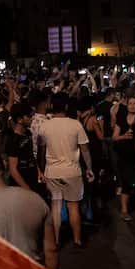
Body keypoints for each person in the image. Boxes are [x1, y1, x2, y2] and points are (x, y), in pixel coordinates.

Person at [38, 93, 95, 247]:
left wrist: (41, 170)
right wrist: (89, 168)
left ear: (51, 107)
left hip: (52, 172)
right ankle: (77, 239)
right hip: (72, 171)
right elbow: (85, 150)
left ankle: (56, 241)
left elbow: (41, 152)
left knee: (56, 207)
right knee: (73, 206)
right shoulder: (75, 125)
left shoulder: (45, 126)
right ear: (66, 107)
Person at [112, 96, 135, 221]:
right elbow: (114, 137)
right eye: (130, 103)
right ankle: (124, 210)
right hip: (124, 156)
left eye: (134, 103)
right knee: (126, 183)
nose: (132, 106)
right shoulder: (121, 119)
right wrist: (124, 136)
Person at [7, 103, 45, 197]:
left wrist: (39, 171)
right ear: (20, 119)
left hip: (32, 177)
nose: (32, 118)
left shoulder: (28, 133)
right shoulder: (13, 140)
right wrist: (27, 189)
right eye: (28, 116)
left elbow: (31, 155)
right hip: (21, 183)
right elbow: (13, 169)